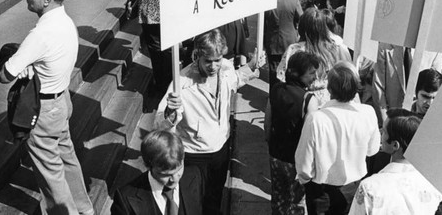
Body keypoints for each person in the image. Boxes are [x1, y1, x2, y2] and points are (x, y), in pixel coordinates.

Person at [0, 0, 94, 214]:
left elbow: (5, 74)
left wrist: (9, 55)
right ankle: (84, 208)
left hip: (43, 110)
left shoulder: (40, 34)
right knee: (67, 158)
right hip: (62, 101)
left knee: (50, 174)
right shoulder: (65, 21)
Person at [156, 29, 263, 215]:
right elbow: (159, 123)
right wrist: (170, 113)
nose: (213, 66)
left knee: (215, 195)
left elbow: (235, 79)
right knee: (193, 200)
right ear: (197, 55)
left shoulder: (227, 68)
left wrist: (251, 66)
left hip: (221, 147)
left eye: (217, 60)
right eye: (208, 61)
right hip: (193, 153)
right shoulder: (181, 82)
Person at [295, 61, 381, 215]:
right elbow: (372, 150)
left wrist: (305, 182)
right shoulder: (368, 113)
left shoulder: (316, 119)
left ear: (329, 89)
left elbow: (304, 163)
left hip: (322, 190)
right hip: (354, 188)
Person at [348, 109, 442, 215]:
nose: (380, 133)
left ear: (395, 145)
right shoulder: (433, 184)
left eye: (384, 131)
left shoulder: (369, 187)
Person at [266, 51, 319, 215]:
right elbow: (312, 136)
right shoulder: (309, 99)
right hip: (297, 161)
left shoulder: (276, 89)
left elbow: (267, 121)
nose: (315, 77)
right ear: (297, 73)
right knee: (296, 203)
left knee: (278, 199)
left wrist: (269, 144)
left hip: (276, 156)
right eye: (311, 73)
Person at [111, 130, 204, 215]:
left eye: (179, 170)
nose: (174, 179)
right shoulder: (125, 198)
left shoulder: (194, 175)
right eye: (165, 175)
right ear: (148, 166)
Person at [264, 0, 303, 88]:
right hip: (290, 41)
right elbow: (302, 20)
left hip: (272, 42)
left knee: (273, 73)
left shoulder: (265, 0)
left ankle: (274, 98)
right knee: (289, 72)